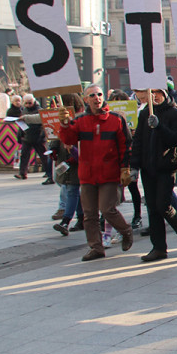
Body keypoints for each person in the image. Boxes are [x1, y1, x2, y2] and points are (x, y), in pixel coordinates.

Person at [57, 84, 135, 261]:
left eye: (99, 94)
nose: (96, 97)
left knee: (107, 209)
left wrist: (125, 169)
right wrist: (64, 124)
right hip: (88, 174)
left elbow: (125, 146)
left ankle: (126, 231)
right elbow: (68, 139)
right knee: (89, 214)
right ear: (86, 99)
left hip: (109, 173)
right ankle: (96, 247)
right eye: (92, 95)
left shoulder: (116, 119)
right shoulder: (80, 121)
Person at [129, 88, 177, 261]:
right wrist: (134, 165)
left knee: (162, 204)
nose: (152, 96)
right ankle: (159, 247)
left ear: (163, 93)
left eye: (156, 93)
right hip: (148, 167)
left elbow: (176, 139)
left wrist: (159, 127)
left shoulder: (174, 113)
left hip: (166, 166)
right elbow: (138, 140)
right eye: (149, 93)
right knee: (152, 208)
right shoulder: (144, 114)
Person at [16, 94, 50, 182]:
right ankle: (22, 173)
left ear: (33, 101)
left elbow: (43, 122)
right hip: (27, 135)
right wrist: (20, 135)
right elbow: (21, 124)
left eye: (29, 103)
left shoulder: (39, 110)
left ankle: (48, 171)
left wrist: (42, 135)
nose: (28, 105)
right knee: (24, 155)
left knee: (44, 155)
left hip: (37, 135)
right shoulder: (24, 110)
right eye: (26, 103)